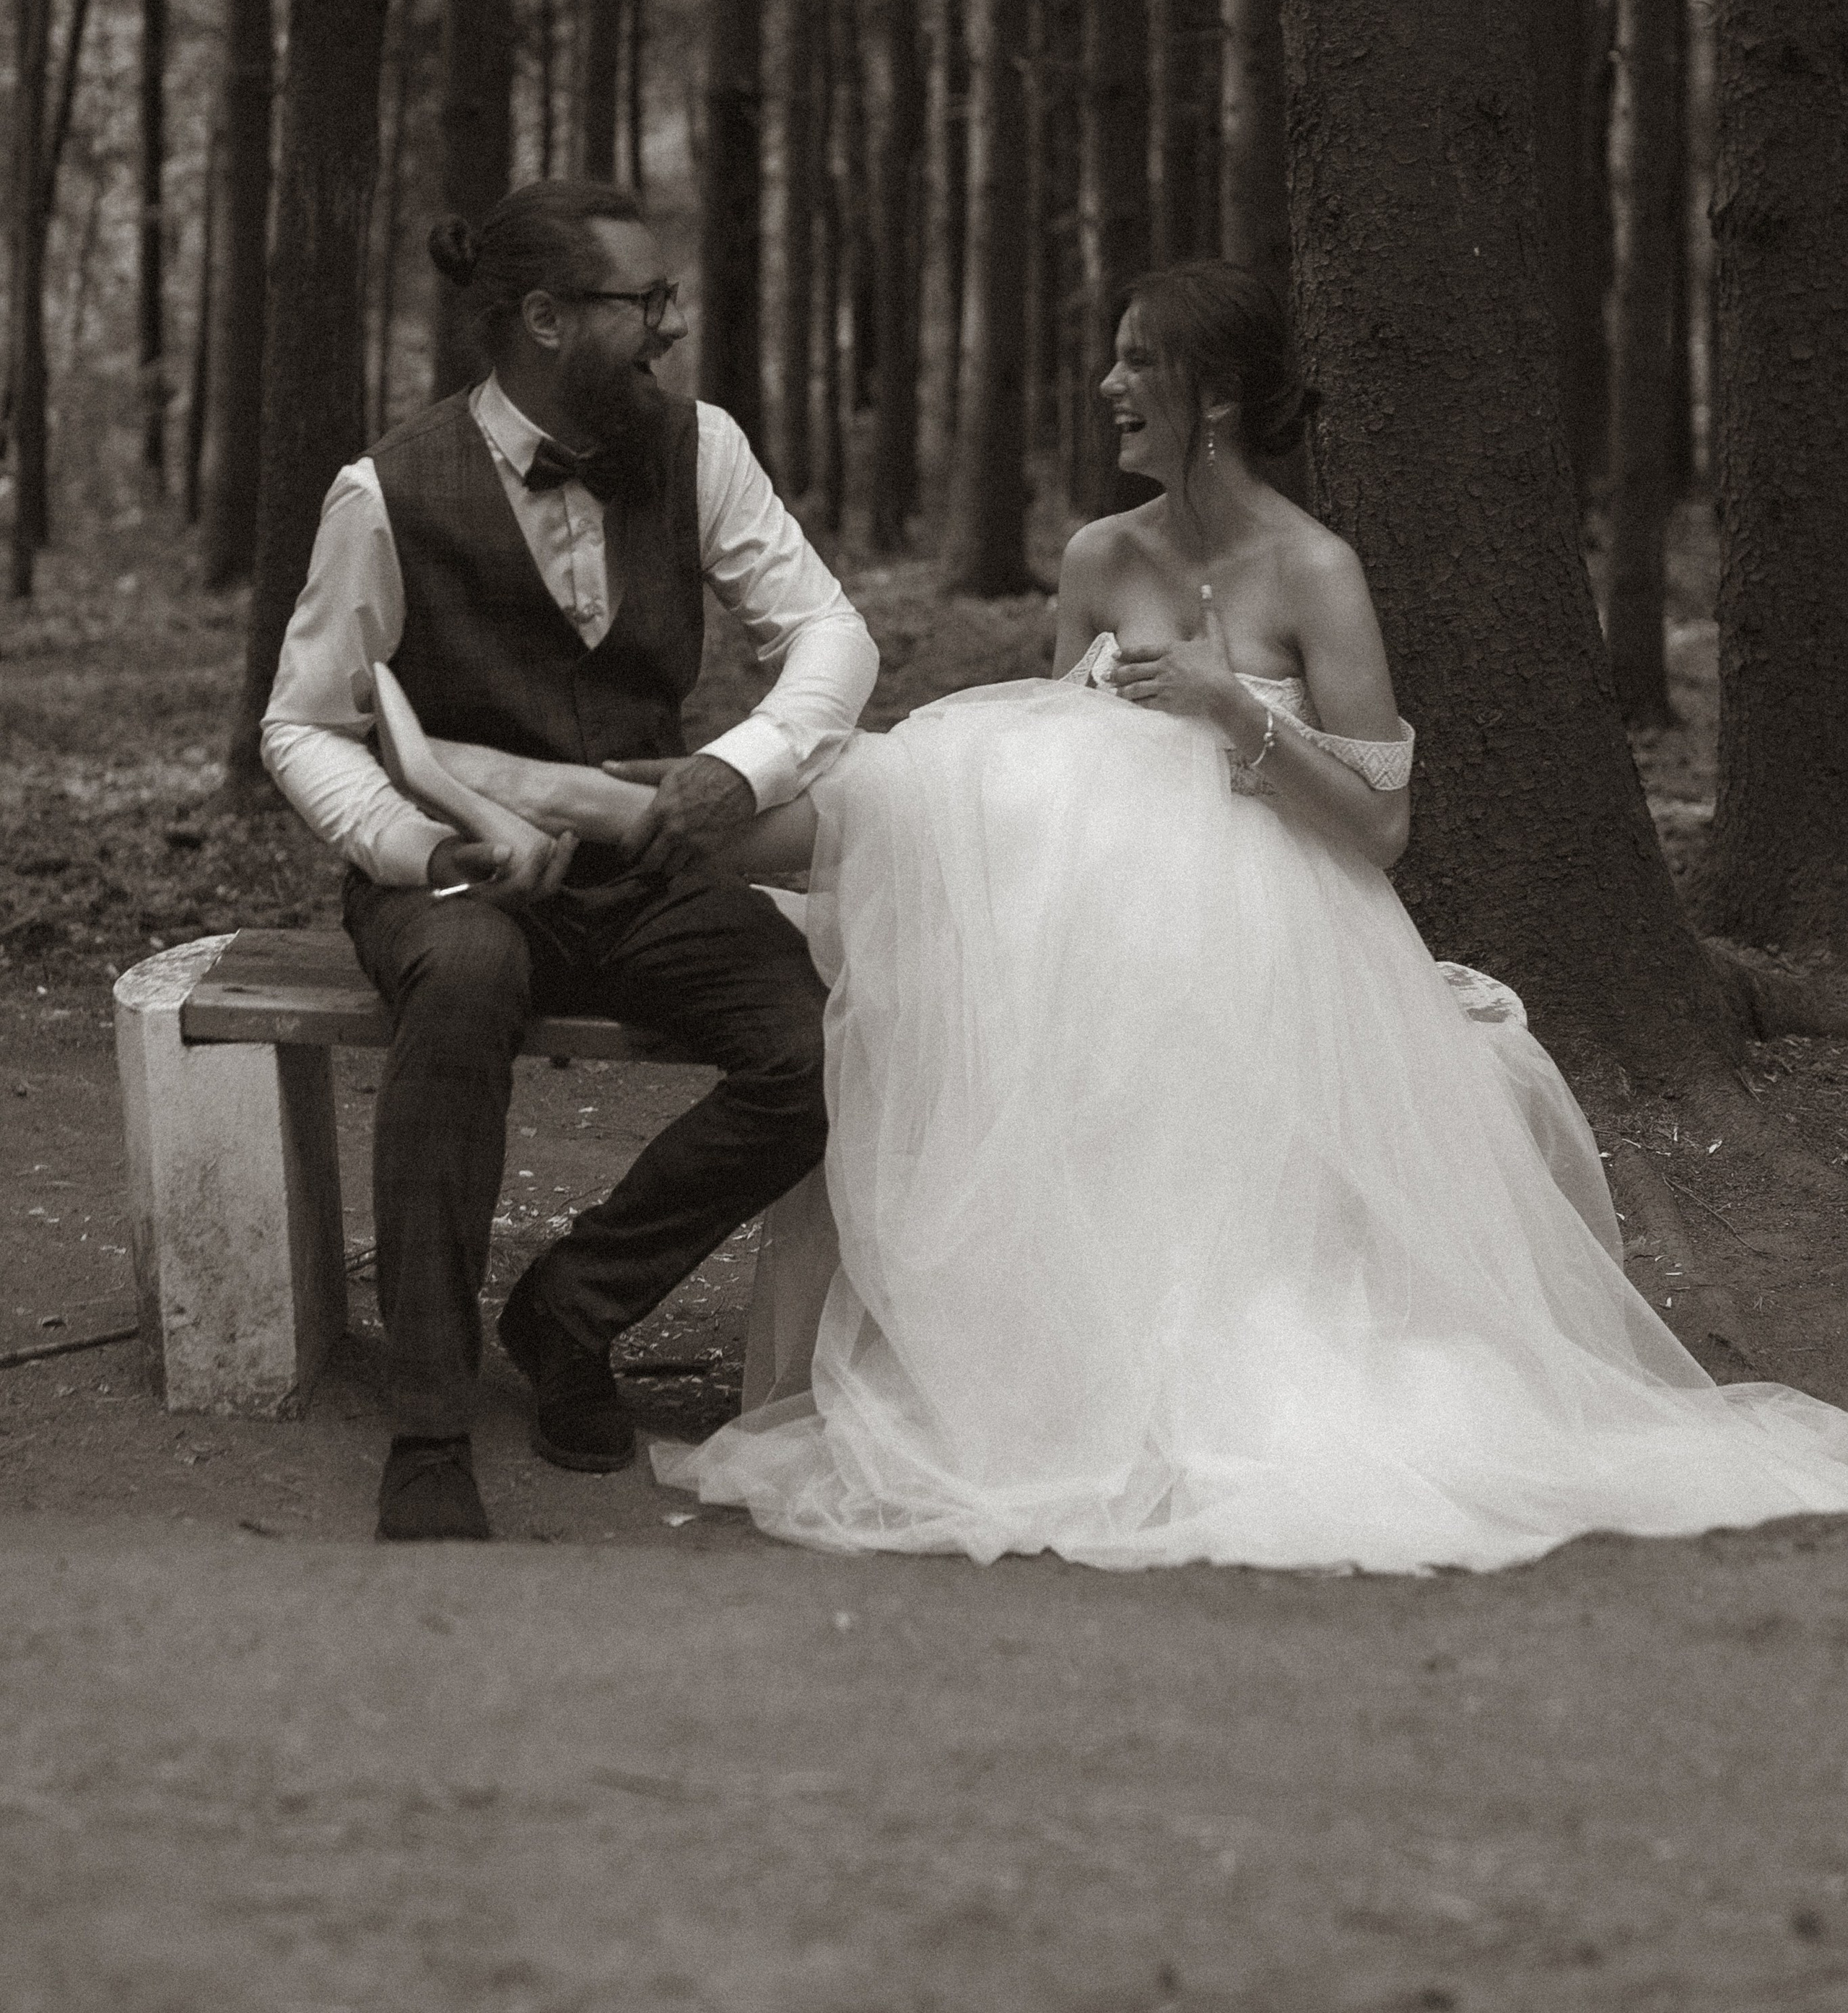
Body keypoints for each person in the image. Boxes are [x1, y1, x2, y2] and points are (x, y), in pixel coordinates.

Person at [442, 259, 1848, 1574]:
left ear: (1214, 399)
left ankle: (612, 806)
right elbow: (1040, 755)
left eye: (1135, 364)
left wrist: (1234, 711)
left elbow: (1378, 825)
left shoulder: (1313, 574)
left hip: (1253, 914)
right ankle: (619, 803)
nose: (1108, 385)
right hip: (1080, 906)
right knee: (920, 779)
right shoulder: (1102, 554)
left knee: (907, 792)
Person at [261, 181, 879, 1544]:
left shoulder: (699, 446)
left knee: (817, 1049)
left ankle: (570, 1310)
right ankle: (430, 1419)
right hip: (452, 880)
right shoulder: (384, 490)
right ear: (544, 318)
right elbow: (304, 724)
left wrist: (744, 769)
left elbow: (832, 636)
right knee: (466, 988)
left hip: (651, 870)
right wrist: (418, 845)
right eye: (642, 301)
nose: (670, 325)